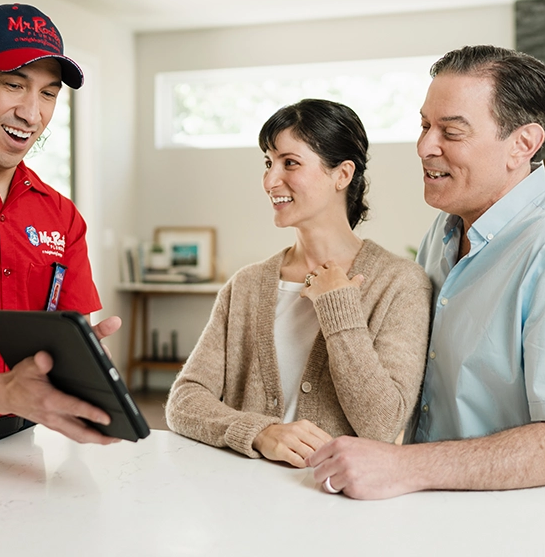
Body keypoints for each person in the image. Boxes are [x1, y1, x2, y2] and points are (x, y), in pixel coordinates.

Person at [308, 45, 545, 498]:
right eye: (424, 125)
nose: (424, 147)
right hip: (430, 514)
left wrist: (406, 466)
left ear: (523, 144)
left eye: (450, 133)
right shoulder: (445, 226)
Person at [166, 98, 432, 468]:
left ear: (342, 175)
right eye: (268, 163)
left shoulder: (400, 283)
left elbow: (382, 425)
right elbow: (184, 400)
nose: (270, 180)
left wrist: (339, 309)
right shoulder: (246, 285)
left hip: (334, 505)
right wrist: (260, 432)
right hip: (239, 497)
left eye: (290, 162)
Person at [0, 2, 120, 469]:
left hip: (22, 445)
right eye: (14, 85)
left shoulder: (61, 216)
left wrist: (85, 375)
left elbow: (64, 348)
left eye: (48, 94)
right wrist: (1, 392)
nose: (32, 113)